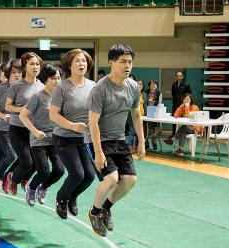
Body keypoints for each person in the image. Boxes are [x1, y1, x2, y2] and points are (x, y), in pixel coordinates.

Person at [87, 44, 145, 237]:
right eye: (123, 62)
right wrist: (97, 151)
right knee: (111, 179)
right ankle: (94, 213)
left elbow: (136, 115)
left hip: (119, 140)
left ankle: (106, 207)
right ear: (112, 63)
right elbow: (92, 122)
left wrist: (142, 142)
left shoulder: (133, 87)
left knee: (130, 180)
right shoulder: (100, 88)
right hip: (99, 140)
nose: (127, 66)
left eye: (130, 62)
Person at [50, 49, 96, 219]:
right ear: (69, 65)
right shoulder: (62, 87)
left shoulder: (93, 86)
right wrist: (71, 125)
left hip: (85, 138)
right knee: (77, 174)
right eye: (77, 61)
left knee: (90, 176)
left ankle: (72, 196)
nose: (81, 64)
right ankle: (61, 199)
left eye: (84, 61)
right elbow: (53, 114)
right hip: (64, 137)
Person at [19, 63, 65, 206]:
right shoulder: (37, 97)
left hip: (55, 139)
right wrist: (35, 132)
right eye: (53, 78)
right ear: (46, 79)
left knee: (59, 170)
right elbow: (23, 116)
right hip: (39, 140)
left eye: (59, 78)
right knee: (44, 172)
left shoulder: (62, 97)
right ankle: (31, 188)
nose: (57, 81)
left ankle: (43, 187)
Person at [5, 52, 44, 195]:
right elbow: (7, 106)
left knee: (37, 162)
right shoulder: (16, 86)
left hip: (34, 129)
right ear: (25, 66)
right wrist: (22, 109)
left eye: (37, 64)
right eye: (32, 64)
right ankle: (12, 178)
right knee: (26, 161)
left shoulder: (42, 87)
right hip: (18, 128)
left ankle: (24, 178)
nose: (35, 67)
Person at [0, 59, 22, 193]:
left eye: (19, 72)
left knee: (25, 158)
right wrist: (2, 116)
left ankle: (7, 177)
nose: (17, 75)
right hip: (4, 128)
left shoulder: (25, 87)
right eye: (14, 72)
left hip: (21, 128)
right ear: (8, 74)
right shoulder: (1, 88)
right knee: (11, 155)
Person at [171, 71, 192, 137]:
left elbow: (190, 94)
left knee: (183, 120)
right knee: (174, 119)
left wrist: (185, 102)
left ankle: (182, 134)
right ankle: (174, 133)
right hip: (175, 105)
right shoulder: (173, 84)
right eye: (177, 76)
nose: (179, 77)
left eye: (180, 76)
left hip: (183, 106)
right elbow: (173, 94)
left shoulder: (186, 85)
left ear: (182, 77)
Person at [128, 80, 144, 153]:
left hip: (142, 116)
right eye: (138, 84)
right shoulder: (132, 94)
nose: (139, 85)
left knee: (137, 133)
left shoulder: (143, 94)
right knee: (132, 132)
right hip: (133, 116)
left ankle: (135, 146)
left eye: (140, 84)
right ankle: (130, 147)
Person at [145, 79, 161, 150]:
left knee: (153, 129)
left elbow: (160, 103)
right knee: (146, 129)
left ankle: (154, 144)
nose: (153, 86)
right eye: (152, 84)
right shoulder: (146, 92)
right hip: (146, 112)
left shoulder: (159, 93)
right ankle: (146, 144)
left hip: (155, 112)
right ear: (149, 85)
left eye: (155, 84)